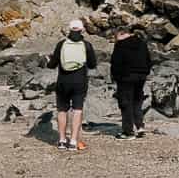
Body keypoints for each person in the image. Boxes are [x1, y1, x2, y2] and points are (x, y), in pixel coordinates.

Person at [46, 19, 97, 152]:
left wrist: (48, 60)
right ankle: (73, 141)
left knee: (62, 110)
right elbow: (92, 64)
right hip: (79, 81)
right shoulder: (86, 45)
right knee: (77, 110)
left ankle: (62, 140)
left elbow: (52, 65)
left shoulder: (61, 44)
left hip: (63, 82)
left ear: (69, 29)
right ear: (82, 30)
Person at [109, 22, 153, 138]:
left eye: (115, 36)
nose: (115, 39)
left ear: (121, 34)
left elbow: (116, 63)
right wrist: (145, 72)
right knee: (137, 101)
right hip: (141, 76)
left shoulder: (120, 45)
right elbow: (148, 60)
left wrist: (115, 77)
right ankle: (140, 127)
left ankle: (128, 131)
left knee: (125, 103)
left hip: (126, 77)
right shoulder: (141, 43)